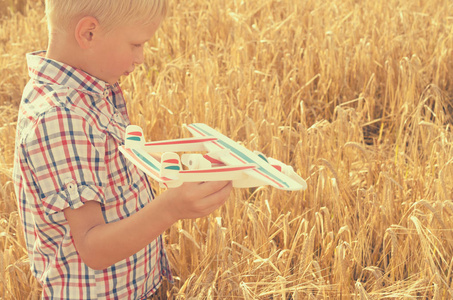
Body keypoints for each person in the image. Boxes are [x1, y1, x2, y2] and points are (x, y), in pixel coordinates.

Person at [12, 1, 233, 299]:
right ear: (89, 33)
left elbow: (106, 167)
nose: (141, 58)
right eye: (136, 44)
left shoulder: (87, 91)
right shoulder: (60, 118)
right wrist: (172, 207)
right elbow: (92, 248)